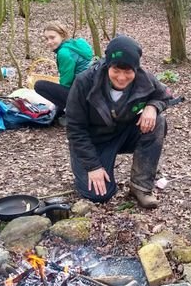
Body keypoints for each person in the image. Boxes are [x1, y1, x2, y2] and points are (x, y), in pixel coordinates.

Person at [66, 35, 172, 209]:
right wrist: (93, 166)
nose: (122, 77)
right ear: (108, 65)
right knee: (99, 195)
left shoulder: (144, 78)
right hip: (93, 141)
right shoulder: (85, 82)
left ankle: (141, 187)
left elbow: (164, 95)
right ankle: (88, 169)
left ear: (136, 69)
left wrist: (153, 106)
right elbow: (75, 129)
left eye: (128, 71)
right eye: (116, 70)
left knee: (158, 122)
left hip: (122, 133)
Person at [34, 21, 93, 117]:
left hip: (83, 96)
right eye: (46, 39)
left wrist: (57, 106)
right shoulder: (79, 44)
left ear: (62, 35)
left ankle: (73, 112)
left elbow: (66, 83)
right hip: (92, 92)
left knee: (39, 85)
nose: (49, 42)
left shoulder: (64, 53)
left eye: (52, 37)